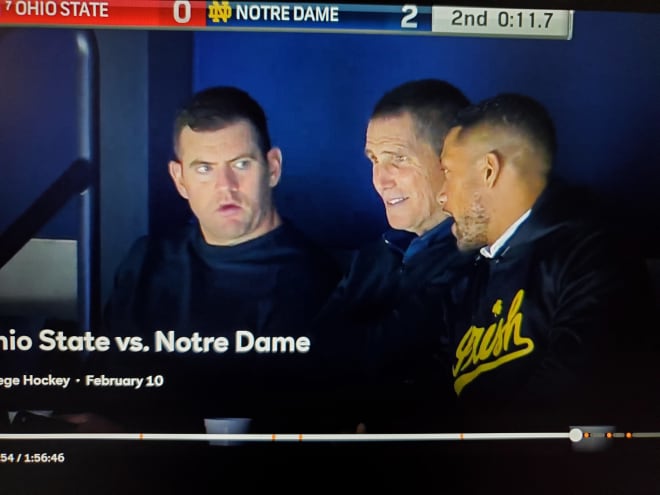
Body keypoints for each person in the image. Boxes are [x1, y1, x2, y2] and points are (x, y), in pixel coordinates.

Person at [77, 86, 342, 433]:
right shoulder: (146, 261)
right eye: (204, 168)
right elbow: (105, 386)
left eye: (241, 164)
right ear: (180, 179)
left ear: (272, 168)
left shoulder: (324, 283)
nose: (225, 187)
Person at [437, 93, 656, 433]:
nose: (442, 195)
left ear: (489, 171)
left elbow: (568, 403)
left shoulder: (595, 255)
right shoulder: (471, 269)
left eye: (448, 172)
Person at [313, 79, 473, 432]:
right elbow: (314, 353)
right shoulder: (375, 255)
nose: (379, 180)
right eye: (374, 160)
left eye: (398, 159)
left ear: (452, 161)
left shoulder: (477, 258)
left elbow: (389, 356)